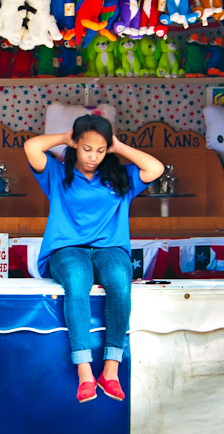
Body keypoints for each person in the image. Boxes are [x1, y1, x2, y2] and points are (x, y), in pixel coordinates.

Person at [24, 114, 163, 403]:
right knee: (77, 280)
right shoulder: (57, 173)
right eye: (87, 149)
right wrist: (66, 137)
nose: (93, 157)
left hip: (110, 250)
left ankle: (110, 370)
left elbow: (155, 168)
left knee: (121, 279)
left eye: (100, 151)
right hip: (67, 250)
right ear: (76, 146)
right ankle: (85, 372)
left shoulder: (120, 178)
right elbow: (32, 147)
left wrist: (118, 146)